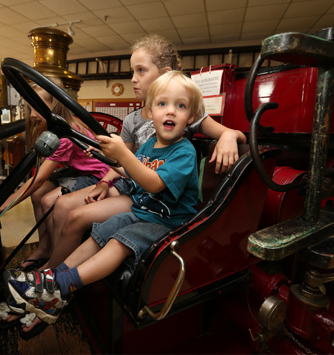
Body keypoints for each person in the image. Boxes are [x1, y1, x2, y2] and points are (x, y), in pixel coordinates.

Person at [4, 70, 204, 330]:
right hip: (143, 210)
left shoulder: (184, 151)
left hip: (167, 221)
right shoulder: (150, 144)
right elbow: (129, 172)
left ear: (191, 116)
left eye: (181, 106)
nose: (170, 112)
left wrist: (124, 152)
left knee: (118, 243)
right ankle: (51, 279)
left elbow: (153, 182)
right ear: (150, 112)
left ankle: (60, 286)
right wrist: (105, 157)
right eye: (162, 104)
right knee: (103, 231)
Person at [34, 34, 246, 271]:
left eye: (141, 71)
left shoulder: (181, 118)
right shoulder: (133, 120)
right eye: (132, 72)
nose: (134, 79)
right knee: (64, 207)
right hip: (130, 181)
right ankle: (53, 267)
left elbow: (233, 133)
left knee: (74, 214)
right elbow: (122, 160)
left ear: (164, 74)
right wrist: (104, 182)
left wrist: (229, 135)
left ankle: (57, 274)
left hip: (148, 191)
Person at [0, 77, 110, 270]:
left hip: (97, 176)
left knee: (49, 200)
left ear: (54, 105)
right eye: (30, 108)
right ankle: (45, 247)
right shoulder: (55, 128)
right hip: (78, 172)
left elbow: (39, 178)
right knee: (38, 196)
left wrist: (5, 203)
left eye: (38, 108)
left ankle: (57, 258)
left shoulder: (64, 135)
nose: (32, 115)